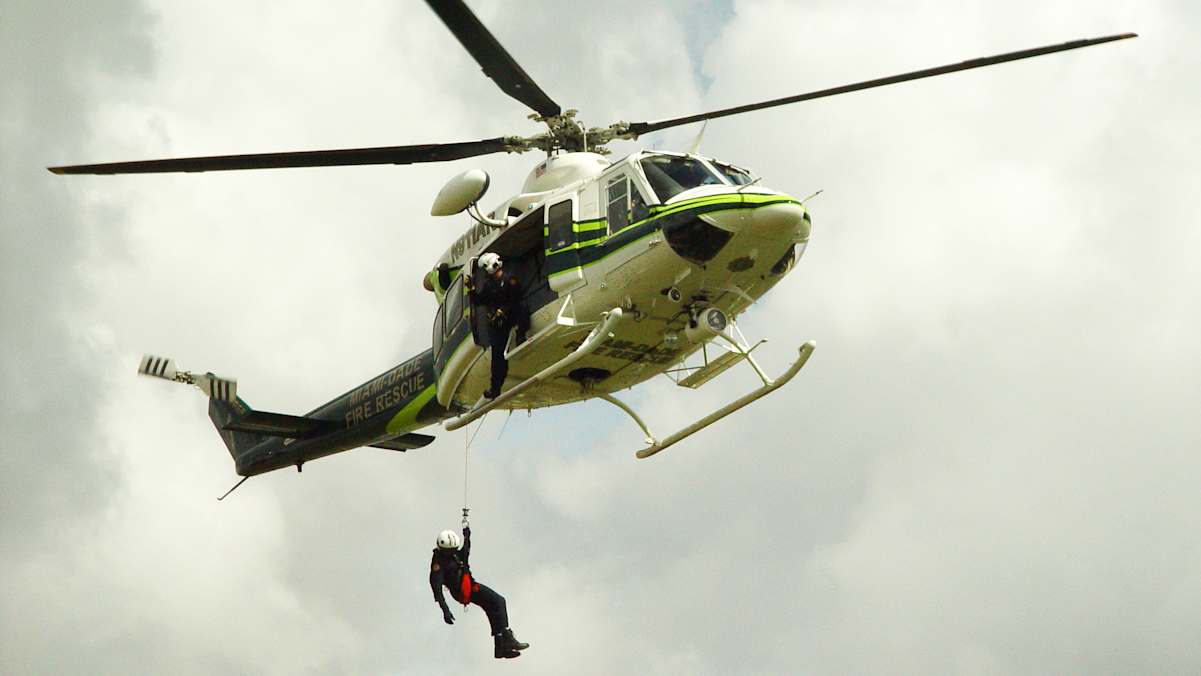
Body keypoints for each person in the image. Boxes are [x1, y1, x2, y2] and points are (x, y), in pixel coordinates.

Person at [430, 525, 529, 659]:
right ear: (443, 550)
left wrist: (467, 537)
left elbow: (465, 552)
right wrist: (445, 610)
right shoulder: (438, 565)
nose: (453, 552)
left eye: (454, 549)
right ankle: (507, 637)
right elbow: (437, 590)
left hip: (469, 586)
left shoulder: (453, 555)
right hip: (464, 591)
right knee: (499, 601)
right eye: (450, 550)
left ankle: (500, 648)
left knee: (491, 607)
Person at [466, 252, 529, 399]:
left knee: (522, 307)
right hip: (499, 323)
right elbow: (479, 301)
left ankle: (521, 335)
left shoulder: (510, 280)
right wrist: (471, 289)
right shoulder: (489, 285)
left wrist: (503, 310)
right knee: (497, 356)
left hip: (512, 315)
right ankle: (495, 388)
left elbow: (516, 299)